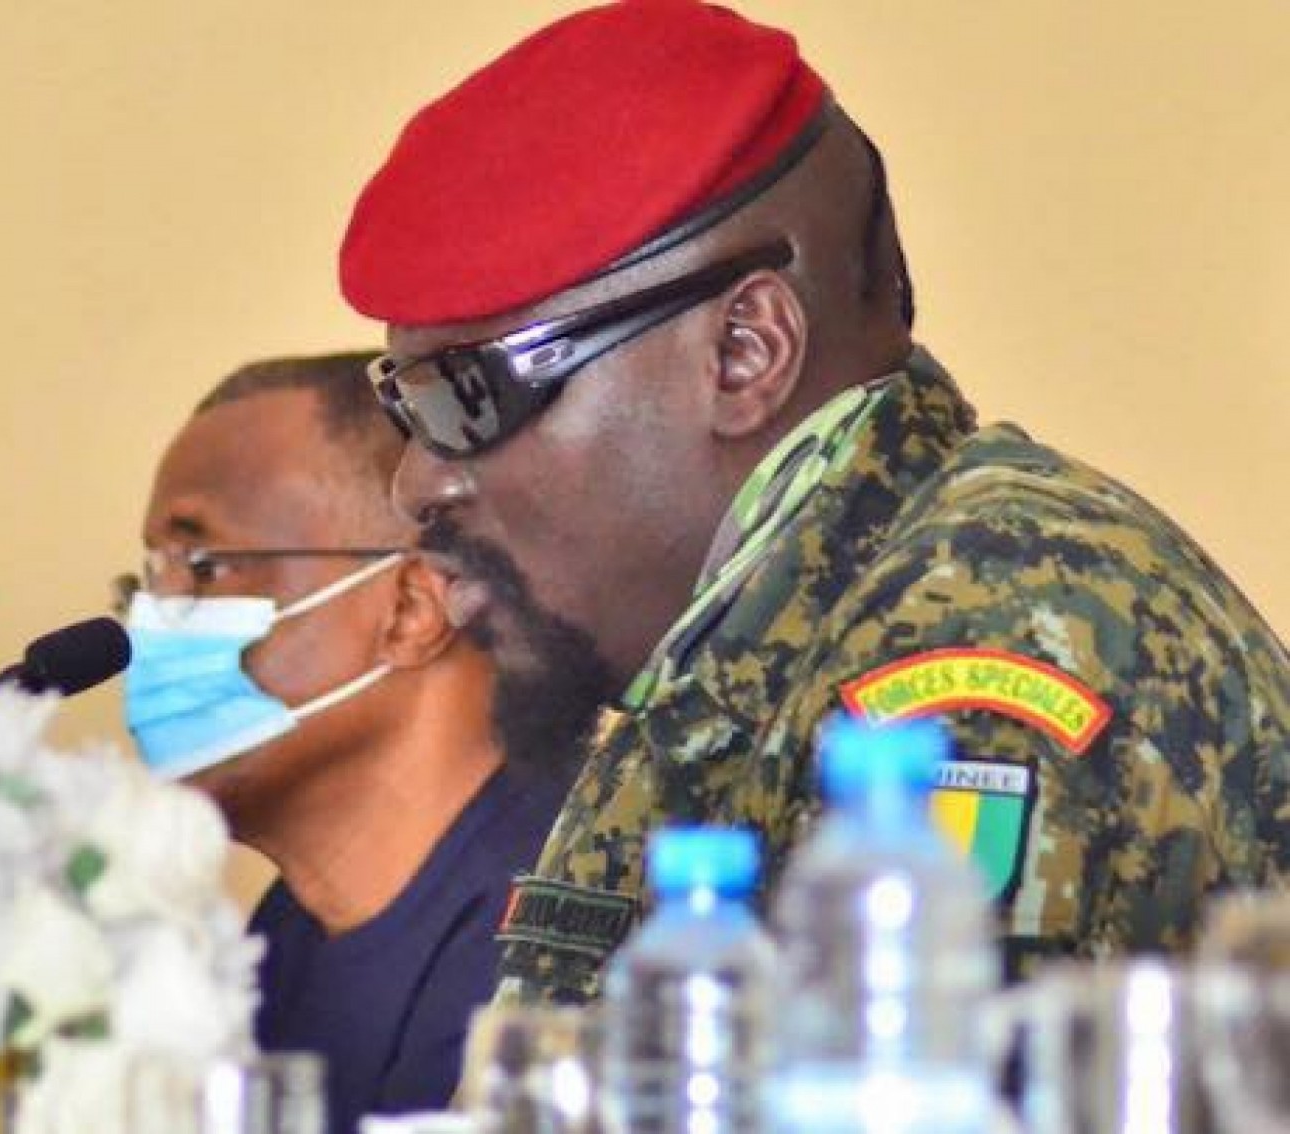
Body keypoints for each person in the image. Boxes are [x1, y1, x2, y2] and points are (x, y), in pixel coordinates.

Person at [336, 1, 1290, 1002]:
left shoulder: (975, 649)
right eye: (406, 408)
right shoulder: (736, 656)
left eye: (468, 397)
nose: (418, 481)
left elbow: (909, 1076)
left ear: (744, 352)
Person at [120, 353, 566, 1126]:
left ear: (412, 611)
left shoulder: (556, 926)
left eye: (205, 566)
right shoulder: (287, 932)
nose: (150, 622)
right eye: (146, 580)